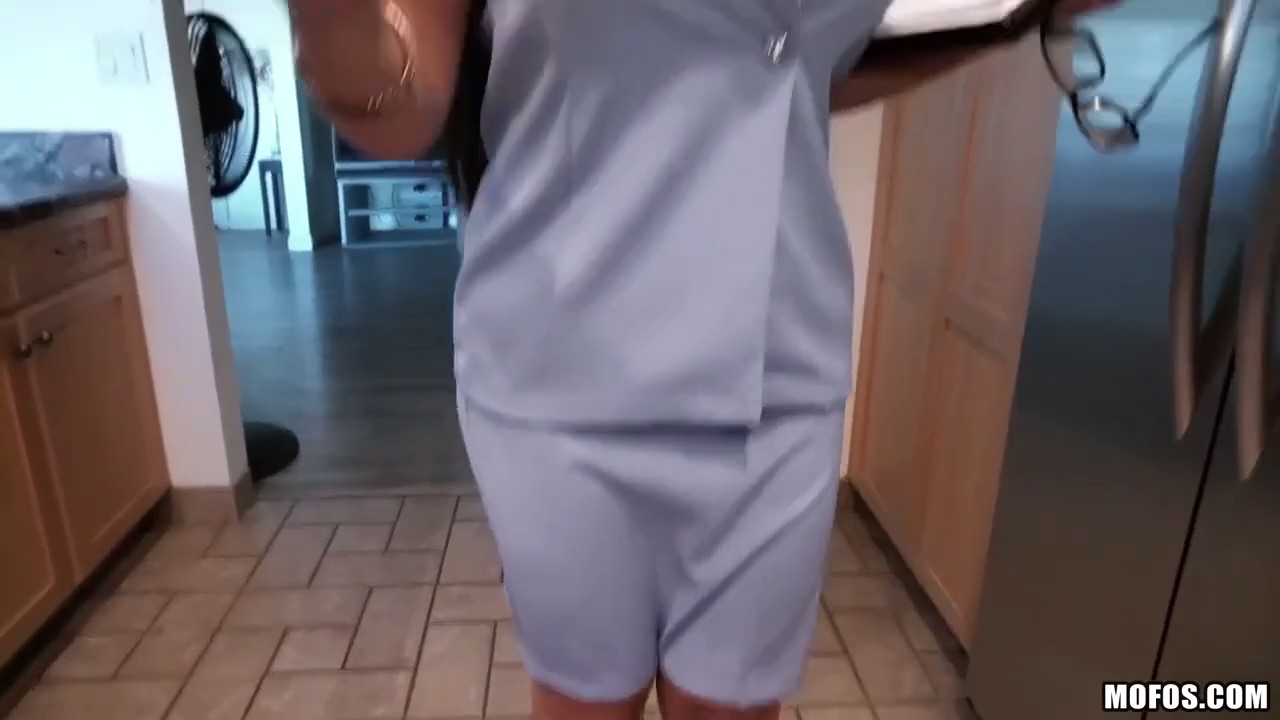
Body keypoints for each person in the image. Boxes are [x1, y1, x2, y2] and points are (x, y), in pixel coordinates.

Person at [288, 1, 1120, 718]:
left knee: (735, 707)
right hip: (561, 380)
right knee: (584, 703)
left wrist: (1020, 18)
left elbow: (797, 61)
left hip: (779, 368)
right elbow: (402, 105)